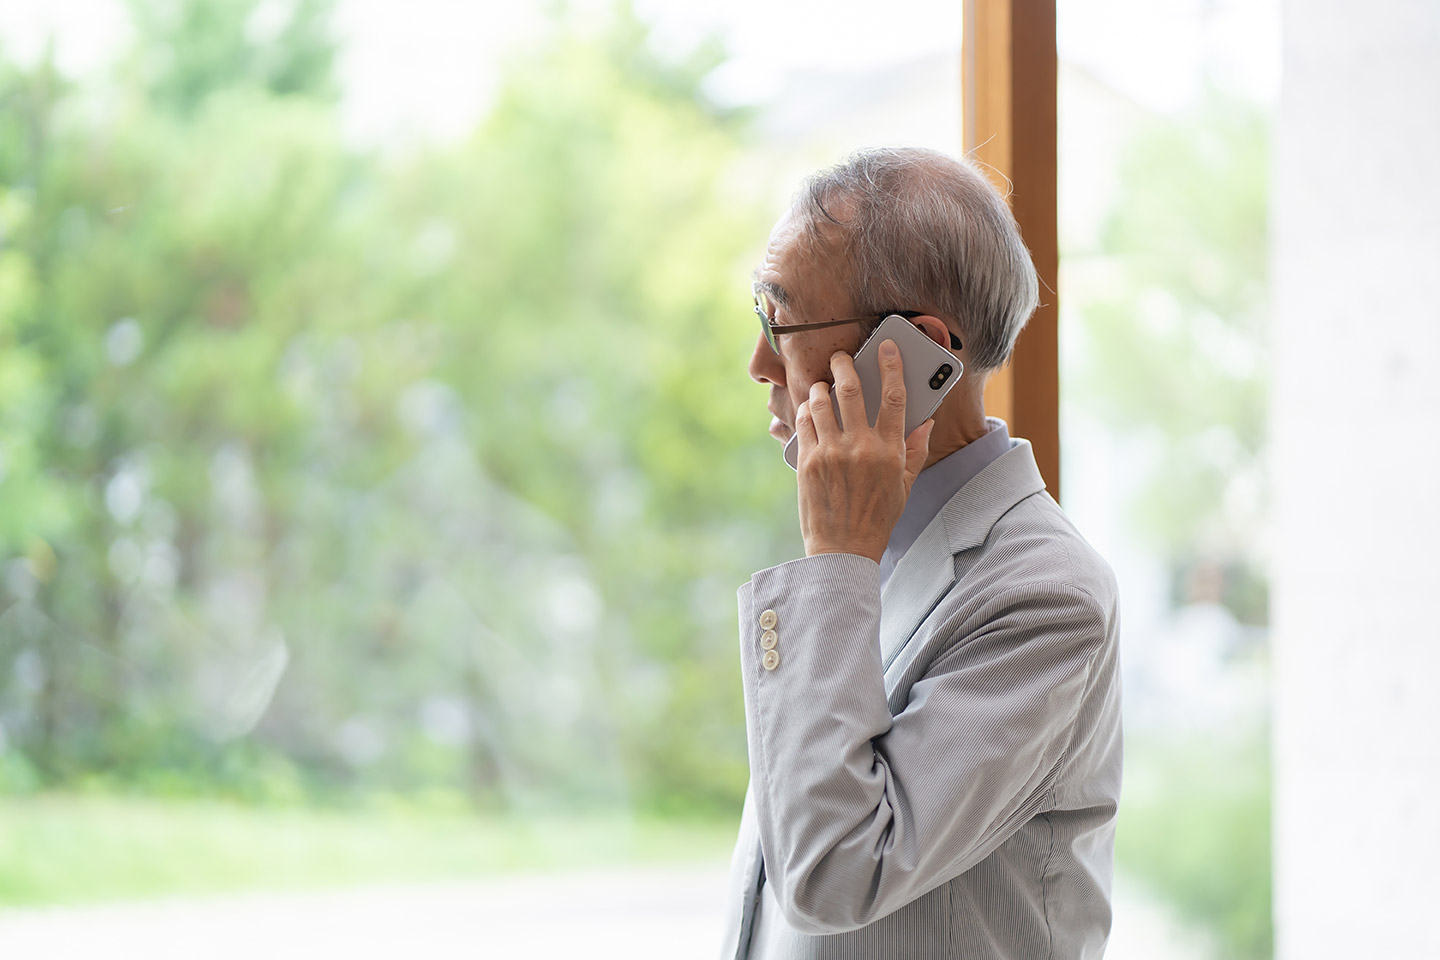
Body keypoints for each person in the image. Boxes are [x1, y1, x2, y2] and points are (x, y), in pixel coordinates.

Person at [720, 147, 1122, 959]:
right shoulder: (872, 549)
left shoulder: (1047, 598)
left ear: (911, 352)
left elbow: (833, 873)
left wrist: (834, 564)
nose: (758, 364)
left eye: (781, 321)